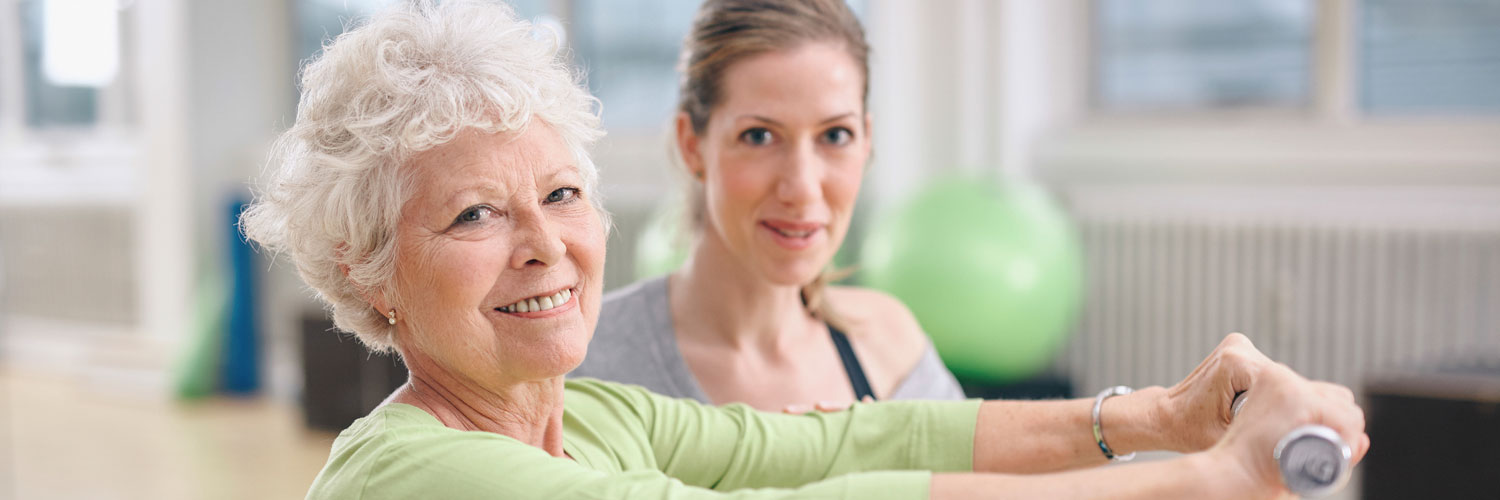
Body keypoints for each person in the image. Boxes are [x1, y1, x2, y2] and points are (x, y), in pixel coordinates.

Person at [243, 1, 1369, 498]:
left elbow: (847, 443)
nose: (546, 245)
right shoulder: (418, 472)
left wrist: (1160, 418)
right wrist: (1217, 478)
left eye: (562, 193)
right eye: (475, 216)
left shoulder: (587, 414)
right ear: (365, 270)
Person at [573, 0, 965, 412]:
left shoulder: (889, 346)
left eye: (835, 136)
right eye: (759, 136)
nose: (802, 189)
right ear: (692, 145)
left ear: (866, 141)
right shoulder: (586, 362)